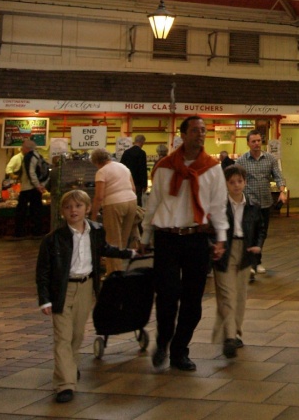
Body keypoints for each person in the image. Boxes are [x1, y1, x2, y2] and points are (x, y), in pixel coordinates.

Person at [141, 116, 227, 372]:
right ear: (183, 135)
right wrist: (145, 237)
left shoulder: (212, 168)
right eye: (195, 130)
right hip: (167, 238)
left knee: (193, 300)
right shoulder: (165, 167)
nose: (201, 134)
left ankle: (180, 350)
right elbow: (153, 204)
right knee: (167, 296)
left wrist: (221, 238)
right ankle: (163, 342)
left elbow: (218, 205)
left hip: (196, 238)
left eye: (204, 130)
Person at [35, 190, 135, 404]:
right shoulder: (53, 239)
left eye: (78, 206)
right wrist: (44, 299)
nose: (73, 210)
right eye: (68, 207)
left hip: (86, 287)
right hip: (62, 290)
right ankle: (65, 384)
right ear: (62, 211)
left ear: (88, 209)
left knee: (77, 335)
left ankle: (69, 367)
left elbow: (104, 249)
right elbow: (43, 271)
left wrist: (129, 253)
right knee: (63, 336)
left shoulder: (96, 231)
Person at [212, 165, 262, 359]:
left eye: (239, 181)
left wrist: (257, 245)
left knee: (240, 294)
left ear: (245, 182)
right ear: (225, 184)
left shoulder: (252, 205)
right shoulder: (219, 205)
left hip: (245, 250)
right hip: (225, 249)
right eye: (232, 182)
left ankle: (236, 332)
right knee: (227, 294)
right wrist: (214, 246)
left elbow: (261, 228)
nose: (236, 185)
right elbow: (211, 228)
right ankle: (229, 337)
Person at [234, 130, 286, 277]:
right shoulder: (241, 161)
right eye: (253, 141)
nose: (257, 144)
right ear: (248, 143)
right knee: (250, 232)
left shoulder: (270, 159)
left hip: (265, 202)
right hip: (249, 203)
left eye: (258, 141)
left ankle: (257, 261)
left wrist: (282, 191)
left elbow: (278, 176)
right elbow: (235, 179)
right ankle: (251, 263)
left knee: (262, 233)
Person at [90, 148, 138, 274]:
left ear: (96, 161)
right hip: (131, 201)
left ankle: (114, 274)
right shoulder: (123, 167)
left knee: (112, 242)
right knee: (123, 240)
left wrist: (93, 215)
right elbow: (133, 188)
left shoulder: (102, 172)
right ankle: (121, 271)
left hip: (114, 204)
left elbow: (99, 196)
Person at [15, 139, 48, 238]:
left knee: (21, 210)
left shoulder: (29, 157)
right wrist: (42, 185)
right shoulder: (39, 156)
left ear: (26, 148)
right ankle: (37, 231)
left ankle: (19, 233)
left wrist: (37, 185)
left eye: (22, 147)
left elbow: (31, 172)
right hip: (36, 188)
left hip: (28, 187)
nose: (21, 149)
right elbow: (46, 171)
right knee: (36, 211)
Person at [120, 135, 149, 206]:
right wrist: (144, 184)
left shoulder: (126, 152)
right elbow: (143, 169)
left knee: (127, 199)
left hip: (127, 181)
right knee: (137, 200)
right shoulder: (142, 153)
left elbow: (121, 166)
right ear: (142, 142)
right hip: (138, 182)